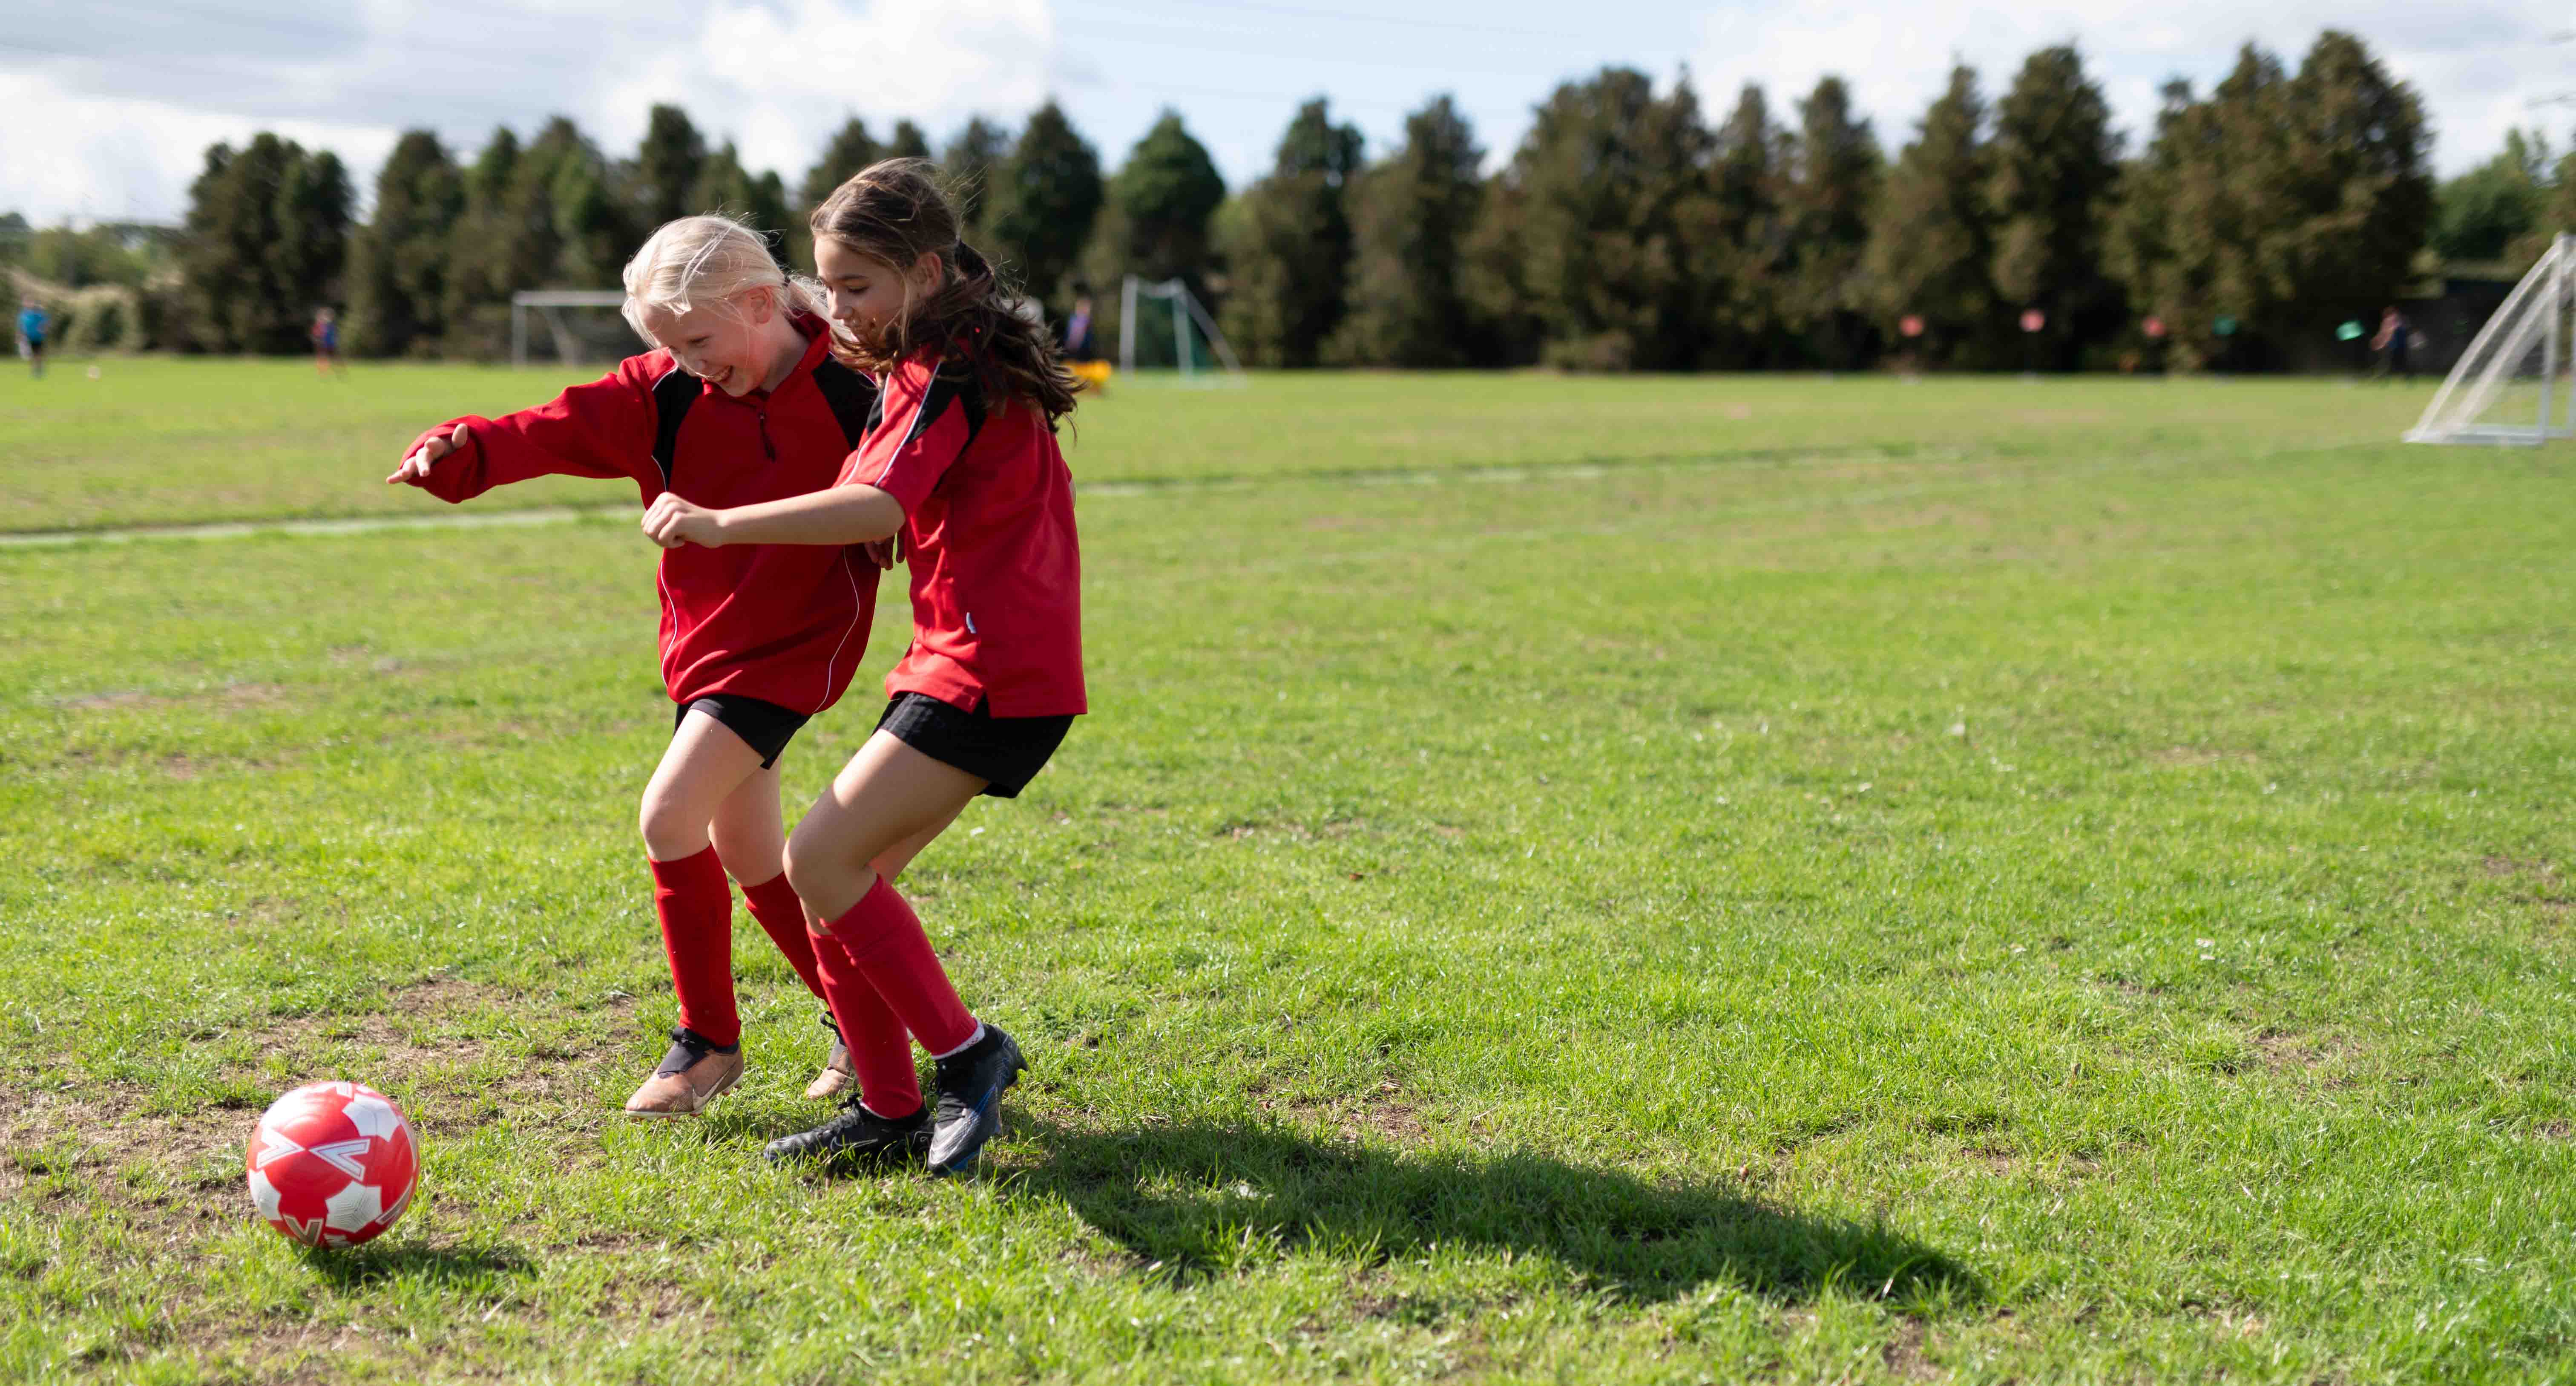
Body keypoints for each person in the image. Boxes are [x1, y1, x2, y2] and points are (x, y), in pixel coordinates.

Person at [640, 159, 1085, 1176]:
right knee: (845, 882)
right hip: (971, 658)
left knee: (818, 862)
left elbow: (879, 503)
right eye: (827, 285)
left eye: (856, 286)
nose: (835, 306)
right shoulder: (941, 353)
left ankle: (970, 1055)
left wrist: (716, 523)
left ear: (926, 271)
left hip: (990, 668)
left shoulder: (946, 370)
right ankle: (887, 1111)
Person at [387, 216, 885, 1116]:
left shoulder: (859, 390)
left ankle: (708, 1045)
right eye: (668, 345)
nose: (689, 361)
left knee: (668, 814)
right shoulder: (661, 393)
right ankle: (865, 1022)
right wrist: (465, 447)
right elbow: (547, 429)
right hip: (705, 645)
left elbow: (912, 483)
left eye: (700, 340)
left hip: (799, 642)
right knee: (742, 846)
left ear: (762, 302)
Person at [2370, 306, 2413, 383]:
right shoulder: (2392, 321)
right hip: (2393, 346)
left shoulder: (2395, 321)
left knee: (2391, 362)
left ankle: (2407, 377)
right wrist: (2378, 340)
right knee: (2387, 363)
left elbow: (2389, 333)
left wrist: (2382, 343)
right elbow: (2383, 333)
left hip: (2394, 346)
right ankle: (2383, 377)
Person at [310, 307, 344, 377]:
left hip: (331, 345)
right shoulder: (322, 325)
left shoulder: (331, 326)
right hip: (324, 345)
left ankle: (339, 371)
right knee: (323, 359)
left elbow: (334, 335)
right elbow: (317, 334)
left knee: (335, 359)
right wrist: (318, 340)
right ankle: (323, 372)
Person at [18, 298, 48, 378]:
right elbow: (21, 326)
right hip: (28, 337)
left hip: (38, 337)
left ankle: (38, 370)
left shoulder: (39, 314)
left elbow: (44, 322)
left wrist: (43, 329)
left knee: (38, 354)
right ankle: (34, 370)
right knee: (30, 355)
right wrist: (19, 336)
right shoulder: (23, 315)